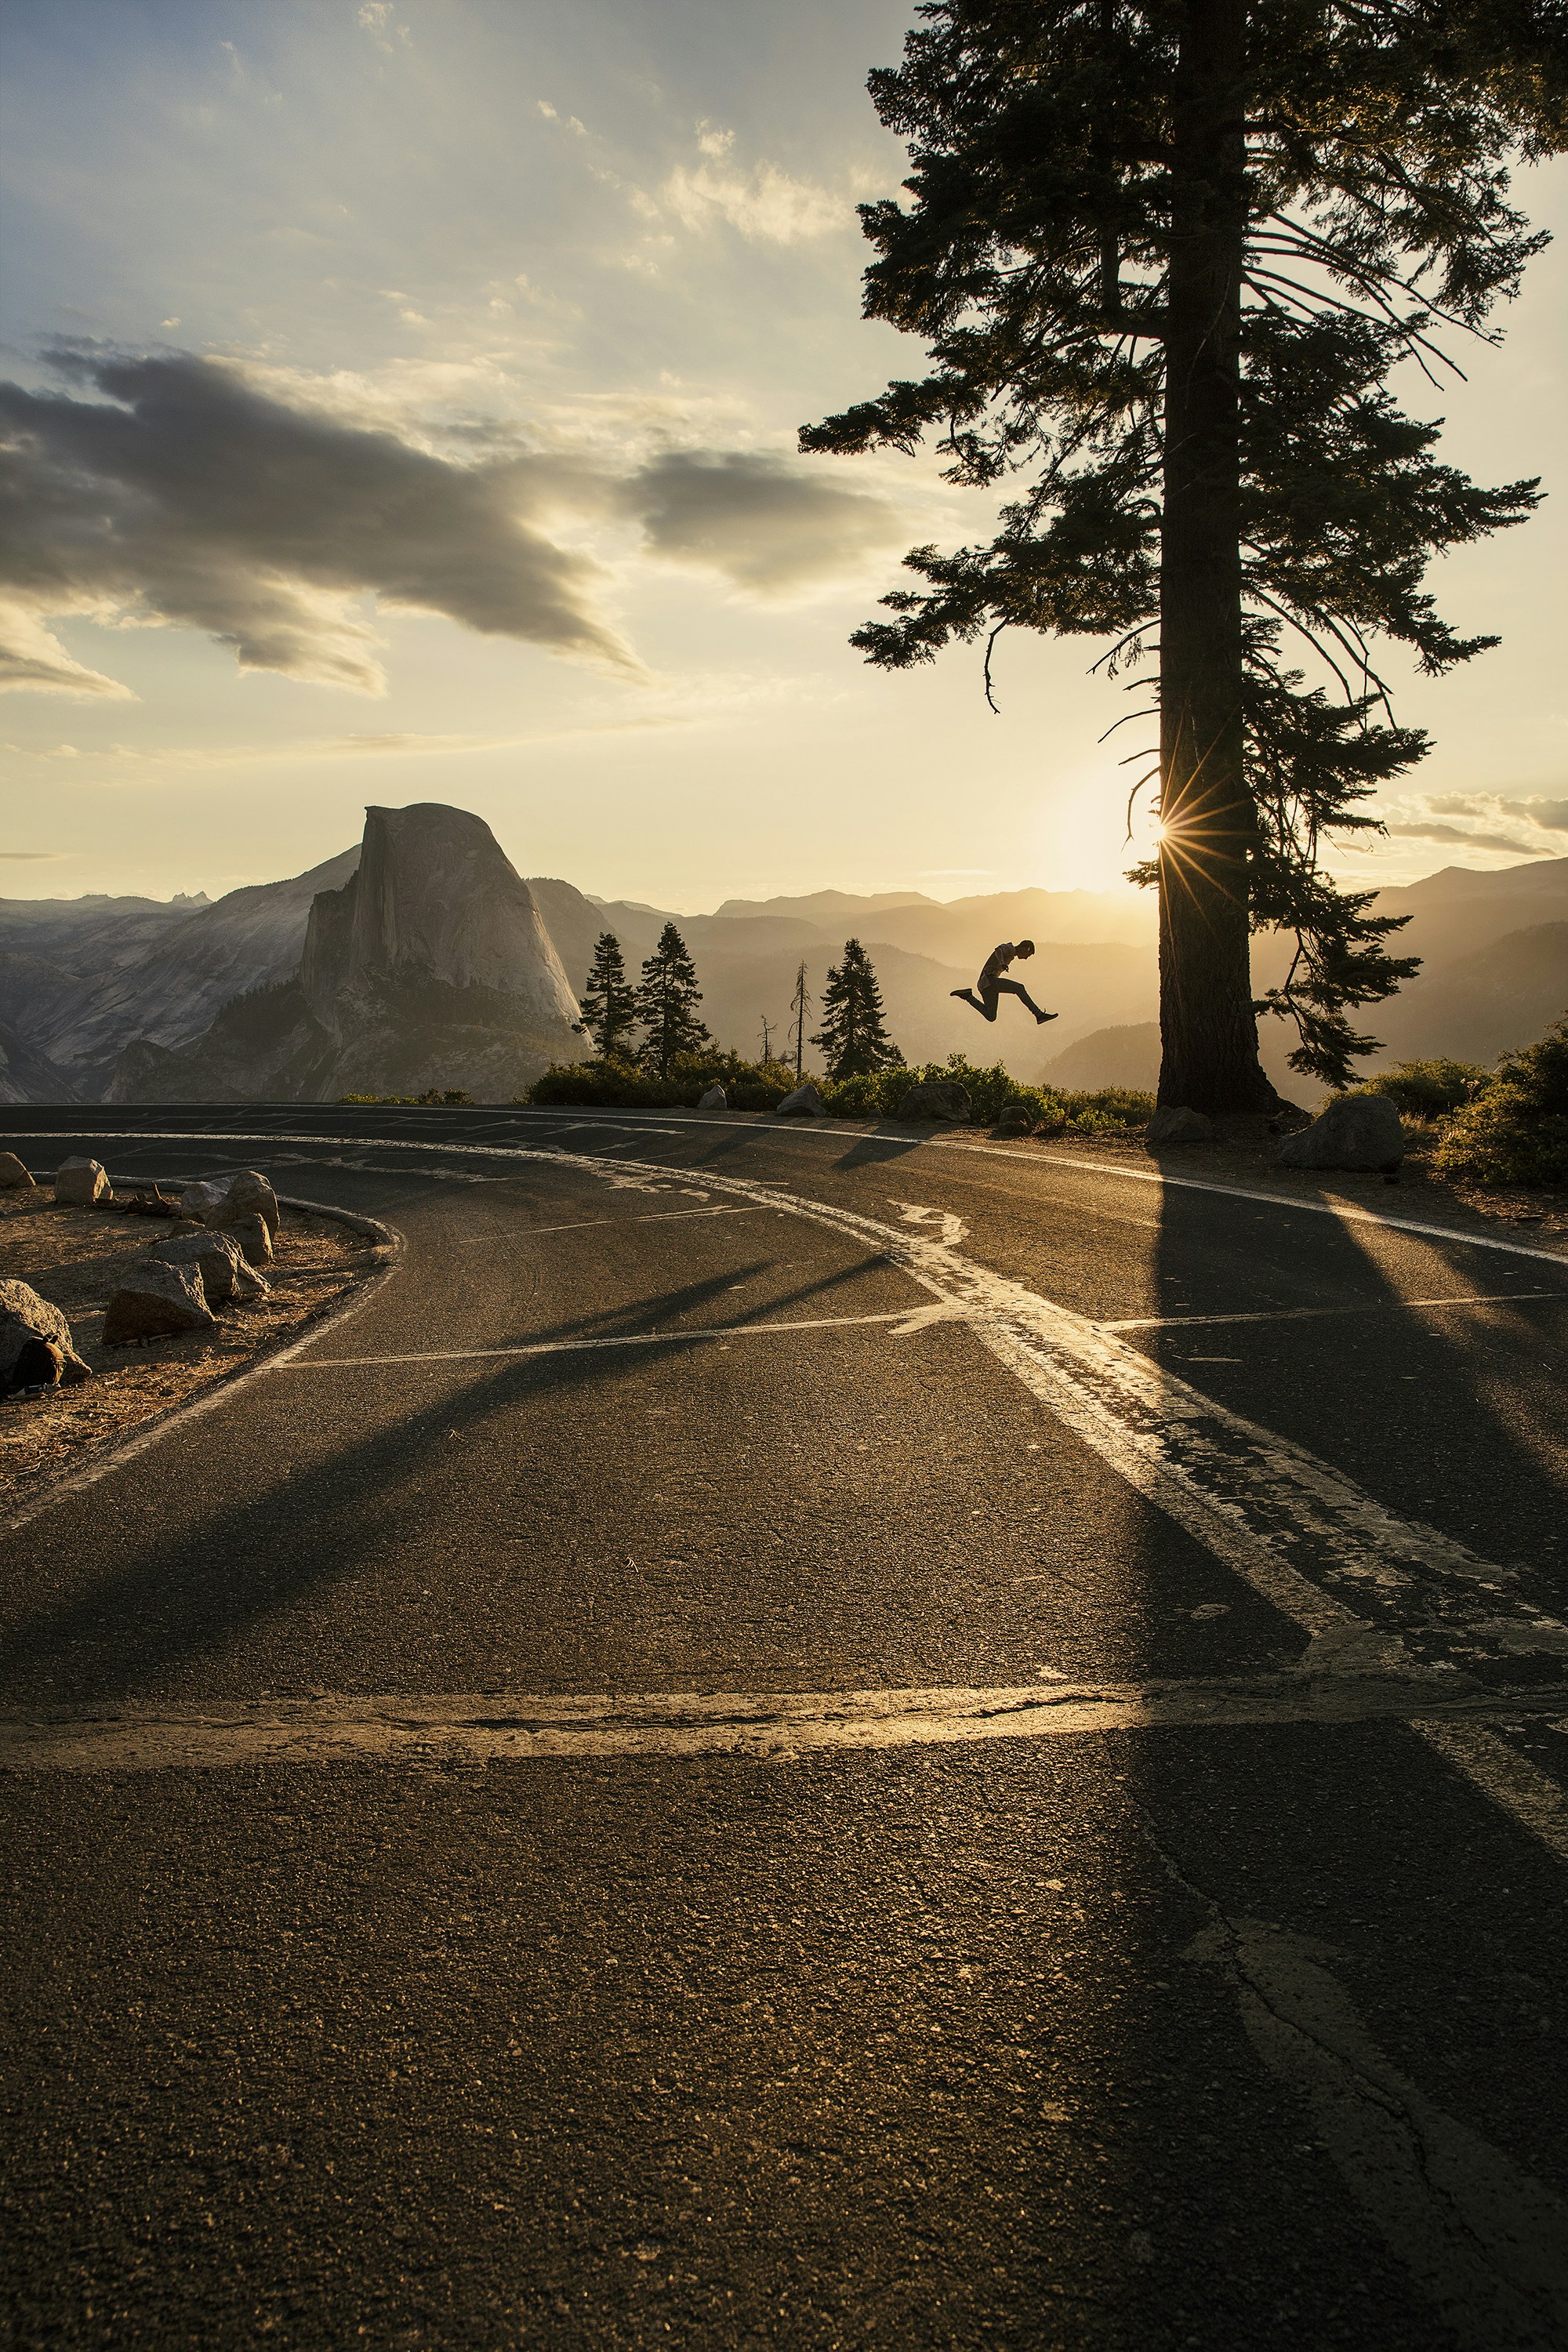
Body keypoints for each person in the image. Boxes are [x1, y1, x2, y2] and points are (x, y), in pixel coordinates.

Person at [952, 939, 1058, 1025]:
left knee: (991, 1016)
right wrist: (1002, 963)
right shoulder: (1010, 949)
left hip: (985, 985)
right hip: (990, 980)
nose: (1026, 958)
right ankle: (1038, 1015)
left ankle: (968, 996)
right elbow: (998, 949)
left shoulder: (1011, 954)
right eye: (1027, 955)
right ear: (1025, 949)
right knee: (1019, 988)